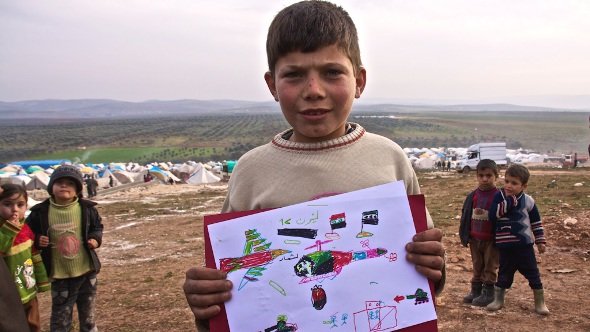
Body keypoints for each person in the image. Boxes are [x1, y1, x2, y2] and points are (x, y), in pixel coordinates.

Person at [183, 2, 445, 330]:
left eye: (332, 72)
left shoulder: (390, 158)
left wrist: (434, 265)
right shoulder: (250, 171)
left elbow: (425, 260)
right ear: (271, 85)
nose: (314, 91)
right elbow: (230, 280)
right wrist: (206, 304)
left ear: (359, 81)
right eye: (293, 75)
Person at [26, 165, 104, 331]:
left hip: (86, 272)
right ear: (51, 188)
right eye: (59, 182)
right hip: (60, 275)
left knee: (88, 317)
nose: (64, 185)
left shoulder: (87, 209)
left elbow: (97, 227)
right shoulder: (40, 212)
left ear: (77, 190)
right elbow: (27, 233)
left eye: (70, 183)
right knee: (61, 319)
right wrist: (38, 239)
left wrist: (95, 239)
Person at [486, 164, 549, 315]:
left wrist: (540, 240)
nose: (509, 186)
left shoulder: (528, 201)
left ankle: (540, 302)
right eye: (507, 181)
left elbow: (536, 222)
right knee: (504, 274)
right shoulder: (498, 197)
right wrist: (509, 202)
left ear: (524, 186)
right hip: (505, 247)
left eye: (514, 183)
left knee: (533, 273)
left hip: (524, 247)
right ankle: (498, 299)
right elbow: (492, 215)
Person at [0, 184, 50, 332]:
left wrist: (42, 281)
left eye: (20, 205)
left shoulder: (26, 229)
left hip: (28, 289)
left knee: (34, 324)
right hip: (9, 296)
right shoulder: (3, 230)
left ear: (26, 206)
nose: (14, 209)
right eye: (7, 204)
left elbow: (34, 256)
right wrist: (9, 229)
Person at [458, 159, 499, 306]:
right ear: (477, 176)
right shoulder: (473, 196)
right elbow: (466, 216)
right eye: (481, 175)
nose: (485, 179)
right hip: (475, 239)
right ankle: (476, 291)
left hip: (491, 240)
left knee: (490, 266)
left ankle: (489, 293)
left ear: (496, 176)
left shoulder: (499, 196)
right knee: (477, 265)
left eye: (489, 175)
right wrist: (465, 234)